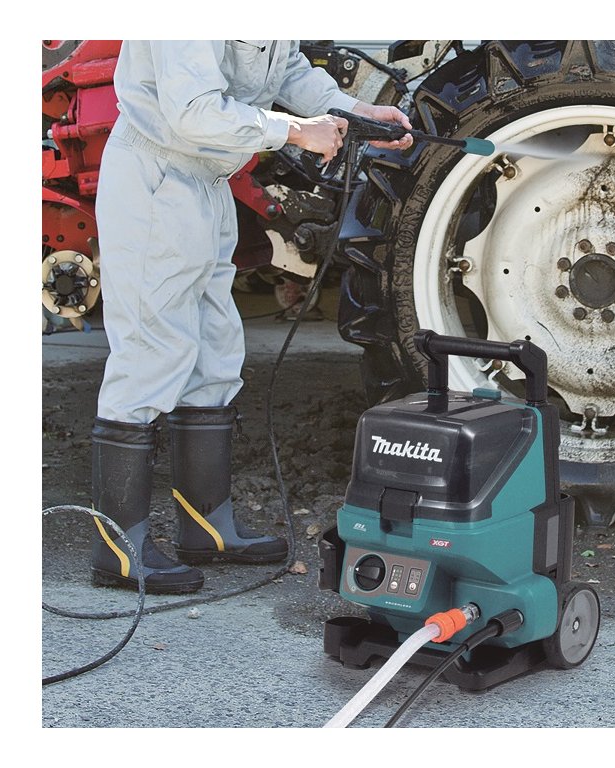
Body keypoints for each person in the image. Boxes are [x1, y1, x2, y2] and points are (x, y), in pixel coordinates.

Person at [89, 40, 412, 594]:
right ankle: (118, 546)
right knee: (150, 353)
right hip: (157, 175)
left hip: (207, 180)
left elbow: (283, 68)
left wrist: (353, 111)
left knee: (215, 353)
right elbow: (193, 111)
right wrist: (295, 131)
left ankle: (207, 528)